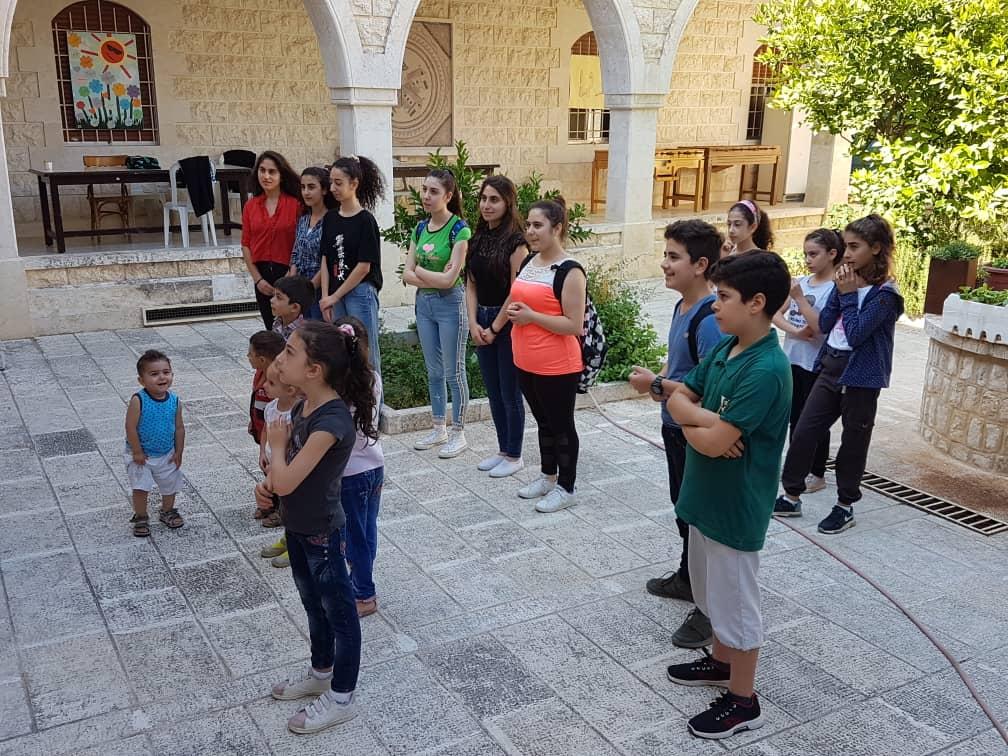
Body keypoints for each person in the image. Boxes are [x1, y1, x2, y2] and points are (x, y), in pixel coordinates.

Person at [664, 251, 792, 740]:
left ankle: (743, 699)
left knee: (736, 603)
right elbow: (680, 395)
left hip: (736, 508)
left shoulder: (766, 369)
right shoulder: (727, 347)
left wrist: (696, 424)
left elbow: (715, 441)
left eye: (723, 297)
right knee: (710, 591)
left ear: (756, 303)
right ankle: (720, 662)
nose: (714, 305)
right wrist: (705, 422)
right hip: (704, 497)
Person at [258, 321, 377, 735]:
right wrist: (268, 482)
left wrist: (276, 451)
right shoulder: (302, 407)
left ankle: (342, 698)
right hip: (297, 526)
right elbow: (282, 477)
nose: (280, 358)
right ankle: (321, 672)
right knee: (313, 604)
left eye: (290, 352)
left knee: (340, 613)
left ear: (315, 370)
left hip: (323, 534)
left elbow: (287, 479)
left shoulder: (332, 422)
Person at [628, 219, 724, 649]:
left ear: (701, 265)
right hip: (674, 429)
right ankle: (688, 578)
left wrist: (656, 384)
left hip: (694, 433)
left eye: (673, 257)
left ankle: (709, 608)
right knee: (684, 511)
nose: (664, 264)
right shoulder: (681, 306)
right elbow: (678, 366)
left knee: (701, 519)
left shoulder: (709, 318)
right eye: (665, 255)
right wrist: (661, 380)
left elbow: (709, 388)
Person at [775, 215, 903, 533]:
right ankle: (791, 495)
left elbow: (857, 334)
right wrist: (838, 290)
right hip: (831, 365)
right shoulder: (844, 280)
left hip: (860, 376)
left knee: (853, 442)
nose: (847, 254)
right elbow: (825, 323)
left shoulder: (886, 295)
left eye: (854, 247)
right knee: (804, 430)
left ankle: (845, 505)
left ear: (876, 248)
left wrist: (847, 294)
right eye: (846, 246)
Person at [507, 197, 585, 514]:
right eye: (528, 224)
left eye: (538, 225)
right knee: (543, 422)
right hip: (525, 359)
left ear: (557, 228)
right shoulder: (529, 262)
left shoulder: (570, 271)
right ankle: (547, 476)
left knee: (561, 424)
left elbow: (573, 325)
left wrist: (531, 317)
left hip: (557, 364)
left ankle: (567, 487)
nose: (530, 231)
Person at [403, 169, 472, 458]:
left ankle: (459, 432)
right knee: (433, 371)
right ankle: (438, 427)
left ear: (448, 195)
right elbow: (406, 274)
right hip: (425, 305)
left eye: (434, 191)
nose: (426, 196)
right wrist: (428, 275)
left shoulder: (459, 230)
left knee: (454, 370)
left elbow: (449, 281)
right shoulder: (419, 228)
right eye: (424, 190)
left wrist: (419, 271)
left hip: (450, 304)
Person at [464, 175, 528, 477]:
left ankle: (515, 455)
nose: (486, 205)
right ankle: (503, 449)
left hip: (508, 323)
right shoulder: (477, 239)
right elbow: (470, 284)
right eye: (483, 198)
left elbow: (516, 291)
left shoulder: (517, 242)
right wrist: (473, 323)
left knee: (509, 392)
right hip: (481, 319)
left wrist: (495, 328)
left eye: (494, 200)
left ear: (507, 203)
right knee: (493, 390)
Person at [772, 228, 842, 498]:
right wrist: (795, 330)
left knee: (814, 420)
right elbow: (775, 313)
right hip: (793, 360)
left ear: (832, 254)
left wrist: (800, 300)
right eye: (805, 254)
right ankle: (796, 467)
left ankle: (817, 472)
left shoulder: (835, 288)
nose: (808, 260)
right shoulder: (802, 282)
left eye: (814, 254)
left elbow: (821, 326)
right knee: (794, 418)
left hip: (816, 363)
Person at [333, 316, 384, 618]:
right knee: (366, 531)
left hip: (349, 474)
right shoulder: (372, 377)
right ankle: (362, 581)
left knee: (353, 537)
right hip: (375, 466)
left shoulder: (334, 389)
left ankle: (364, 593)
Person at [319, 155, 386, 377]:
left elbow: (364, 266)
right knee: (342, 353)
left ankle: (373, 398)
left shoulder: (365, 220)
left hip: (360, 292)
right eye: (331, 182)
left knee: (366, 353)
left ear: (354, 184)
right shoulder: (330, 218)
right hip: (335, 293)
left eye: (338, 183)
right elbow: (325, 259)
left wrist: (334, 296)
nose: (333, 188)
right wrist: (326, 297)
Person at [125, 350, 186, 537]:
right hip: (141, 455)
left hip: (166, 452)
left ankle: (168, 510)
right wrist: (137, 451)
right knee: (140, 487)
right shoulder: (139, 400)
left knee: (170, 483)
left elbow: (179, 428)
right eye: (154, 374)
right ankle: (141, 516)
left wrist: (178, 451)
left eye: (166, 372)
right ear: (141, 380)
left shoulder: (175, 400)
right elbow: (130, 427)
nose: (161, 377)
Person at [241, 151, 301, 329]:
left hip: (289, 273)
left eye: (272, 172)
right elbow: (246, 244)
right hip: (262, 276)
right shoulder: (250, 206)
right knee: (271, 328)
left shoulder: (296, 204)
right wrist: (258, 280)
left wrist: (290, 275)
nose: (266, 176)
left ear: (282, 175)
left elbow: (301, 243)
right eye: (262, 170)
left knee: (293, 329)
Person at [258, 361, 301, 568]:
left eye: (271, 382)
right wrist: (262, 451)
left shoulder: (298, 412)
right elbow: (266, 430)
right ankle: (288, 537)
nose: (264, 385)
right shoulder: (271, 407)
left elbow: (293, 446)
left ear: (290, 389)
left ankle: (296, 546)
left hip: (289, 469)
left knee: (296, 507)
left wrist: (276, 465)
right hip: (274, 466)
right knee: (285, 505)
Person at [247, 331, 286, 521]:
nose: (247, 356)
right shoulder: (260, 374)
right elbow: (260, 405)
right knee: (268, 468)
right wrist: (253, 421)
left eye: (250, 354)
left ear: (262, 359)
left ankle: (281, 509)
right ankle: (270, 502)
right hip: (264, 432)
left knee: (280, 470)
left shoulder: (278, 382)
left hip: (278, 437)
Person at [289, 166, 335, 321]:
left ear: (324, 190)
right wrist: (293, 282)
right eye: (303, 187)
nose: (306, 192)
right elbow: (296, 252)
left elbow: (330, 259)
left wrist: (309, 287)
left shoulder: (331, 220)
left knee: (317, 331)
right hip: (299, 284)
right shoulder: (303, 220)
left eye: (311, 187)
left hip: (320, 285)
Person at [271, 274, 315, 340]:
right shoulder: (277, 323)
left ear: (295, 307)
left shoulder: (303, 333)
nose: (271, 300)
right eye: (273, 295)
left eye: (278, 297)